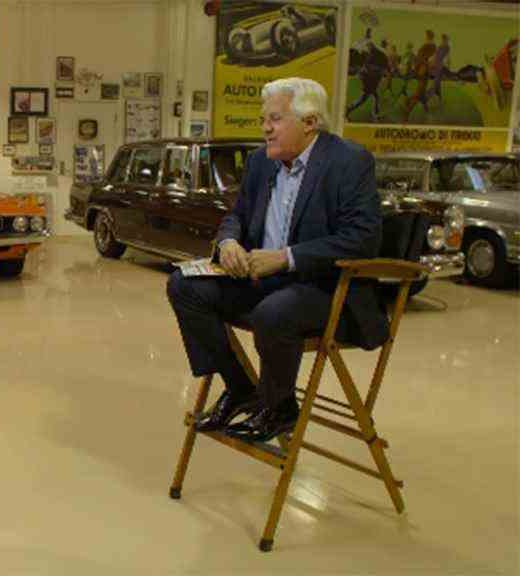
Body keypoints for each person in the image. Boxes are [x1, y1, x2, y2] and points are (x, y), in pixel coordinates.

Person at [166, 78, 388, 443]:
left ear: (310, 122)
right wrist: (229, 242)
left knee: (274, 313)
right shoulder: (260, 162)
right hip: (262, 282)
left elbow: (362, 239)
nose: (266, 128)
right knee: (185, 286)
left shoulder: (349, 161)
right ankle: (241, 388)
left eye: (276, 119)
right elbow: (236, 215)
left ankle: (280, 407)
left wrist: (285, 259)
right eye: (263, 120)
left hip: (321, 286)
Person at [405, 30, 438, 119]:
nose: (424, 37)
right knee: (420, 92)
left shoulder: (428, 45)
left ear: (427, 36)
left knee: (421, 92)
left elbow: (420, 58)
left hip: (422, 70)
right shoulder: (432, 45)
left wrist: (416, 67)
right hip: (424, 71)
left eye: (425, 35)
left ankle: (409, 108)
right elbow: (426, 59)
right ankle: (408, 111)